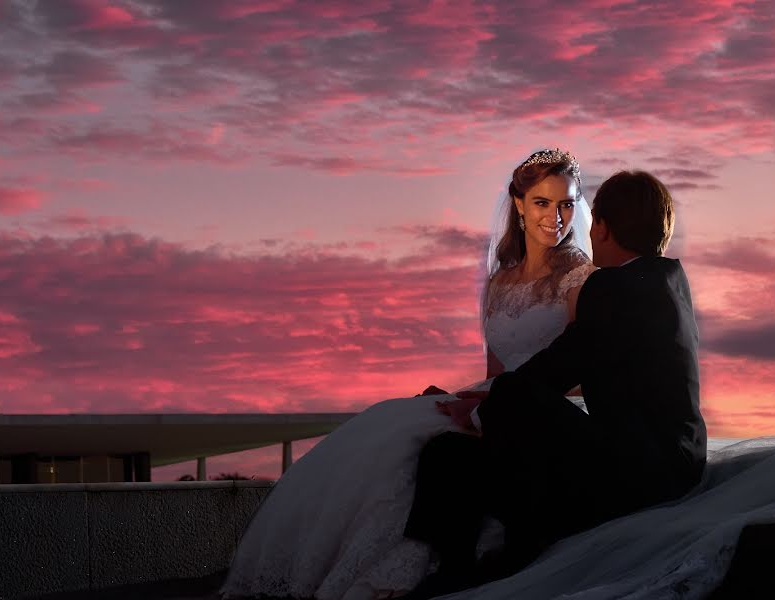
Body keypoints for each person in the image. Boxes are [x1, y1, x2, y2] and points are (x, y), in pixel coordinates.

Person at [220, 148, 597, 600]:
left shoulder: (580, 277)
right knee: (391, 426)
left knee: (432, 446)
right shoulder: (500, 283)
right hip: (494, 396)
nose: (556, 216)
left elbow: (577, 371)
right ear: (519, 205)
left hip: (544, 408)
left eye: (566, 204)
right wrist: (470, 400)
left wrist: (495, 410)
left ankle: (423, 567)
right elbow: (494, 371)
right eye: (542, 203)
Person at [402, 170, 708, 599]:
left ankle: (514, 548)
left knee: (510, 398)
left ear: (602, 227)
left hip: (643, 470)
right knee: (447, 454)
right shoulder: (667, 278)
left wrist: (480, 406)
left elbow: (559, 366)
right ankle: (456, 566)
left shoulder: (614, 285)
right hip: (663, 460)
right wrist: (486, 399)